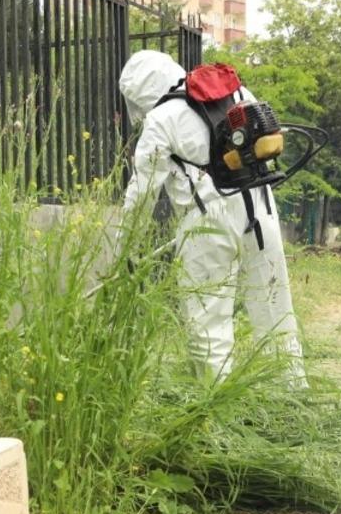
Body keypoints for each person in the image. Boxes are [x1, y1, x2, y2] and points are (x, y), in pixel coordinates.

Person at [117, 49, 306, 386]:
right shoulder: (236, 92)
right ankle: (292, 394)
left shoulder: (160, 119)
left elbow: (142, 194)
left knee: (208, 321)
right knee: (275, 306)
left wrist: (124, 249)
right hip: (260, 207)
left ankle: (214, 408)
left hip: (207, 223)